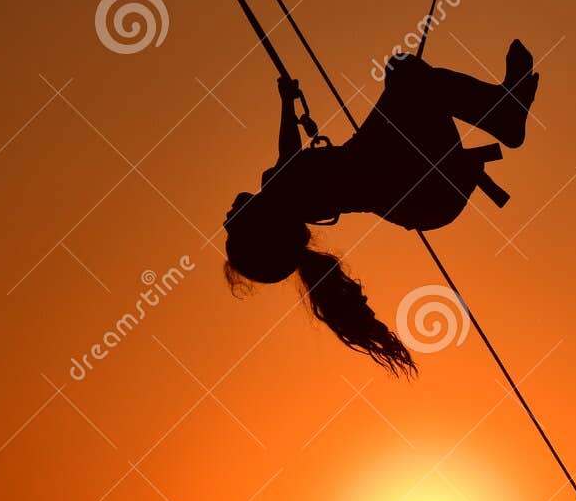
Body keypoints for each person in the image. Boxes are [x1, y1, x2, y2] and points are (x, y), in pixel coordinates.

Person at [224, 40, 540, 374]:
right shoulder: (283, 192)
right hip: (419, 184)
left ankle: (503, 111)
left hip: (422, 195)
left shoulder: (289, 198)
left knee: (406, 75)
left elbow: (288, 155)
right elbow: (288, 153)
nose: (226, 216)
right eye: (233, 225)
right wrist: (286, 102)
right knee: (404, 72)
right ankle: (503, 113)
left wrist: (287, 103)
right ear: (261, 226)